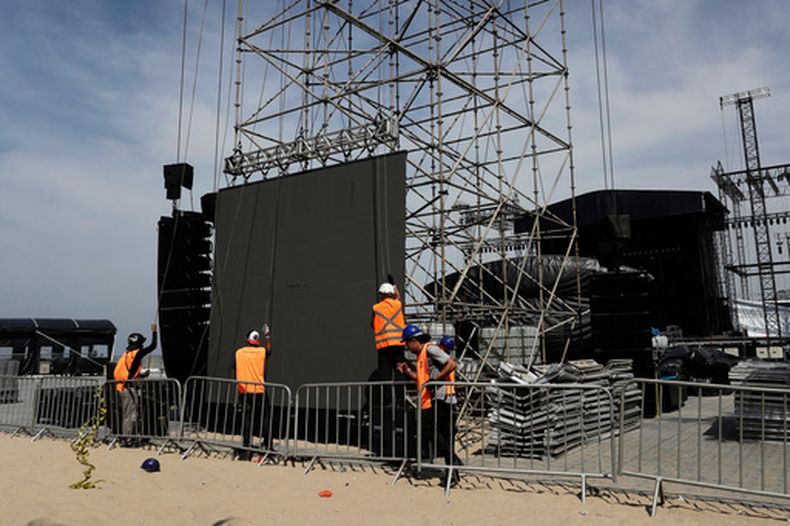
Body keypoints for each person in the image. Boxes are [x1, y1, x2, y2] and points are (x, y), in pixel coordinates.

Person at [397, 325, 463, 487]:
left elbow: (452, 364)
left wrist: (435, 381)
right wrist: (407, 372)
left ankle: (453, 464)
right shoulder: (422, 356)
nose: (406, 347)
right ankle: (452, 472)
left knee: (433, 432)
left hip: (443, 399)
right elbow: (421, 380)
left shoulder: (430, 349)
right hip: (435, 400)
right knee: (439, 434)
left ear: (414, 341)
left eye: (407, 343)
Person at [113, 323, 158, 446]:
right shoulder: (136, 353)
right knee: (130, 415)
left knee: (128, 414)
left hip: (121, 387)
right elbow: (153, 346)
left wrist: (142, 375)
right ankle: (126, 439)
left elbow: (130, 372)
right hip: (128, 389)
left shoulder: (127, 354)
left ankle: (127, 438)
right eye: (141, 343)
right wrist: (154, 332)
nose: (143, 345)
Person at [234, 327, 272, 460]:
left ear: (247, 340)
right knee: (265, 418)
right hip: (259, 391)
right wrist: (267, 335)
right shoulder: (261, 352)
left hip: (244, 391)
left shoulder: (239, 353)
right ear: (257, 341)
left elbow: (234, 366)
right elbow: (269, 350)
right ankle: (268, 445)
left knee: (247, 419)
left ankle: (246, 448)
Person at [371, 281, 406, 378]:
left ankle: (386, 393)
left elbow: (372, 324)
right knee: (400, 369)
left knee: (385, 371)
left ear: (382, 294)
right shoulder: (397, 305)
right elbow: (398, 296)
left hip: (384, 344)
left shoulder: (376, 308)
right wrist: (394, 284)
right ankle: (400, 393)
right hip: (398, 343)